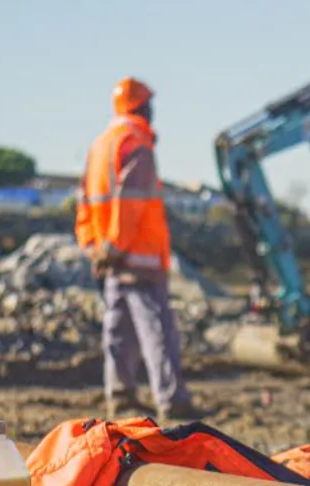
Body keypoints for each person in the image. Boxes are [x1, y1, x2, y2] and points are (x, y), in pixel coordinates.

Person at [75, 77, 199, 422]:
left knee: (118, 332)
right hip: (136, 258)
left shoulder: (100, 145)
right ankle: (172, 401)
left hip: (110, 260)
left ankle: (121, 396)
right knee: (156, 332)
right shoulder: (135, 143)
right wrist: (115, 247)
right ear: (142, 106)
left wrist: (95, 249)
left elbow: (85, 203)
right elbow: (130, 204)